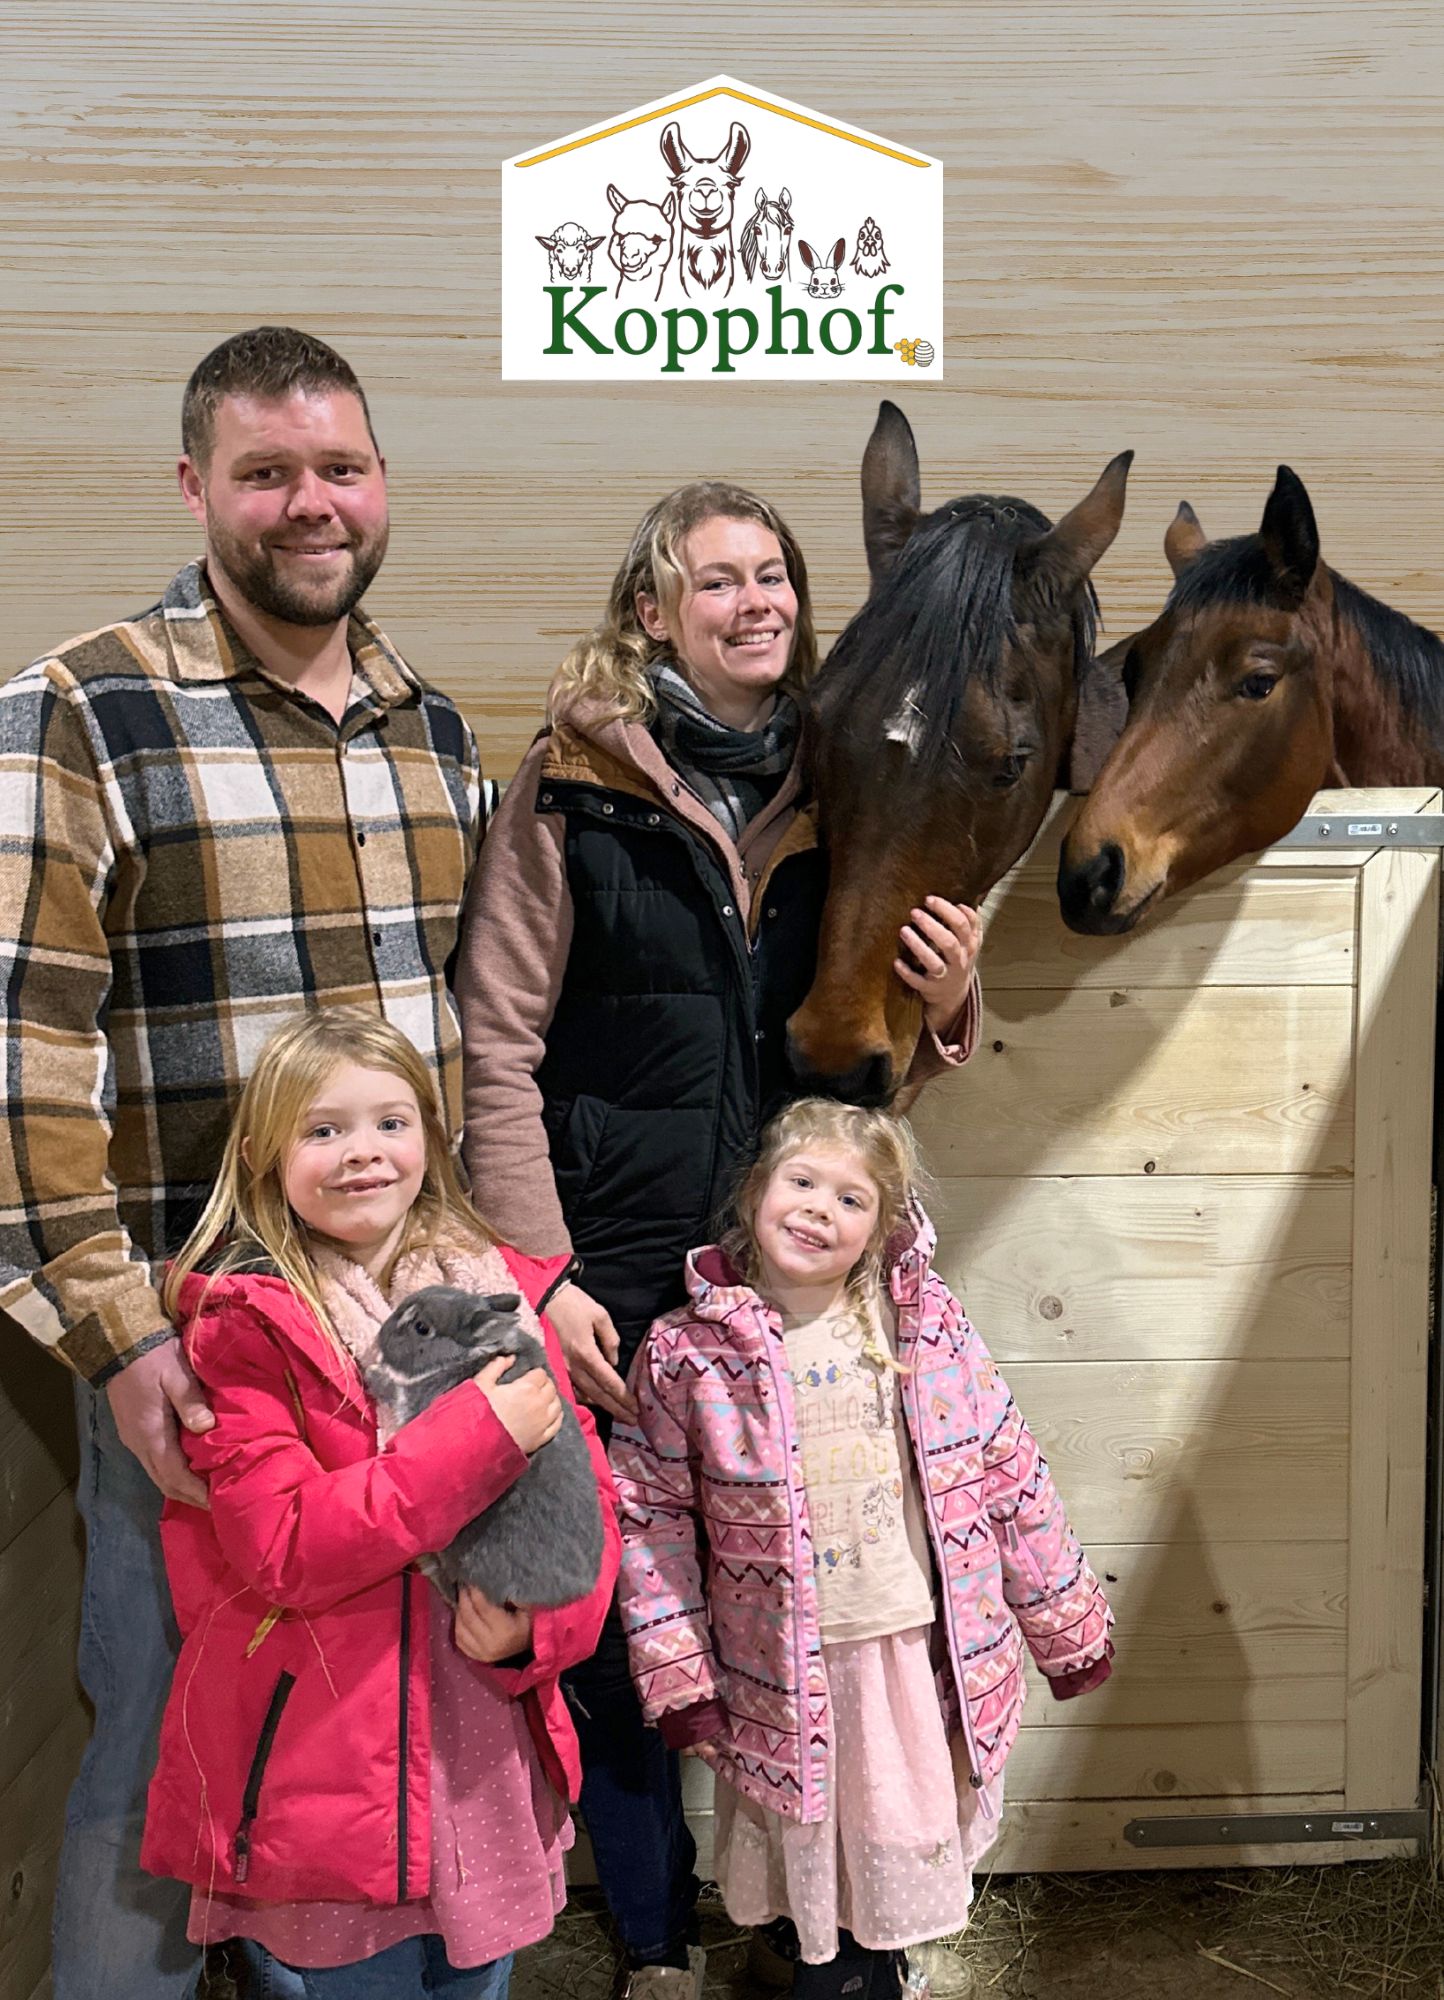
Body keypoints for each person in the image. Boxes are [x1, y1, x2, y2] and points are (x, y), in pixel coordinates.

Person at [0, 326, 483, 1999]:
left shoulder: (433, 733)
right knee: (165, 1739)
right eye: (266, 473)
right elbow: (21, 1047)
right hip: (204, 1352)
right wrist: (116, 1337)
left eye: (338, 467)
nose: (309, 503)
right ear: (195, 487)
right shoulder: (83, 710)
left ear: (382, 482)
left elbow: (469, 1032)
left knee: (365, 1732)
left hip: (406, 1340)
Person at [456, 482, 982, 1997]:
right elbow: (496, 1041)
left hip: (801, 1274)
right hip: (619, 1271)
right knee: (634, 1618)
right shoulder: (569, 787)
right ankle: (653, 1933)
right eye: (719, 579)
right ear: (652, 612)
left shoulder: (852, 775)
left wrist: (955, 1004)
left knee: (819, 1605)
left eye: (775, 576)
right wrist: (542, 1274)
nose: (758, 602)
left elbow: (887, 1026)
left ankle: (818, 1925)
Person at [139, 1008, 619, 1996]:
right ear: (264, 1156)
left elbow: (586, 1514)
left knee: (476, 1979)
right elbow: (284, 1545)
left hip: (476, 1759)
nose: (363, 1151)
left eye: (390, 1123)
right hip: (328, 1774)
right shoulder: (247, 1328)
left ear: (432, 1141)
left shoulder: (496, 1296)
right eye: (324, 1129)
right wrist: (478, 1439)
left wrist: (535, 1629)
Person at [610, 1098, 1115, 1998]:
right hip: (775, 1667)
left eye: (851, 1199)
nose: (819, 1209)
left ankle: (864, 1971)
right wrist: (680, 1674)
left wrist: (1066, 1627)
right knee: (805, 1841)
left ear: (882, 1229)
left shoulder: (920, 1325)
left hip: (904, 1656)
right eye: (801, 1182)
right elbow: (651, 1518)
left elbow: (1006, 1467)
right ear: (755, 1192)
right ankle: (817, 1961)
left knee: (887, 1841)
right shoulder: (688, 1352)